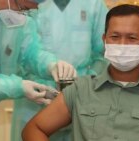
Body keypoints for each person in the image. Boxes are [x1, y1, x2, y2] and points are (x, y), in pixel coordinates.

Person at [22, 4, 139, 141]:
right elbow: (33, 129)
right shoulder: (80, 90)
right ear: (104, 40)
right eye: (115, 37)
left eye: (132, 38)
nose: (122, 45)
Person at [0, 0, 76, 141]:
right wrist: (19, 87)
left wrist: (51, 65)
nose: (23, 14)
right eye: (23, 7)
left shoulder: (17, 16)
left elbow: (30, 53)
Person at [11, 0, 108, 141]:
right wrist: (40, 80)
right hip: (35, 99)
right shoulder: (30, 2)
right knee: (32, 132)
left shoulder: (93, 4)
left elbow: (104, 53)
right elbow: (20, 52)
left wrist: (89, 80)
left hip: (81, 100)